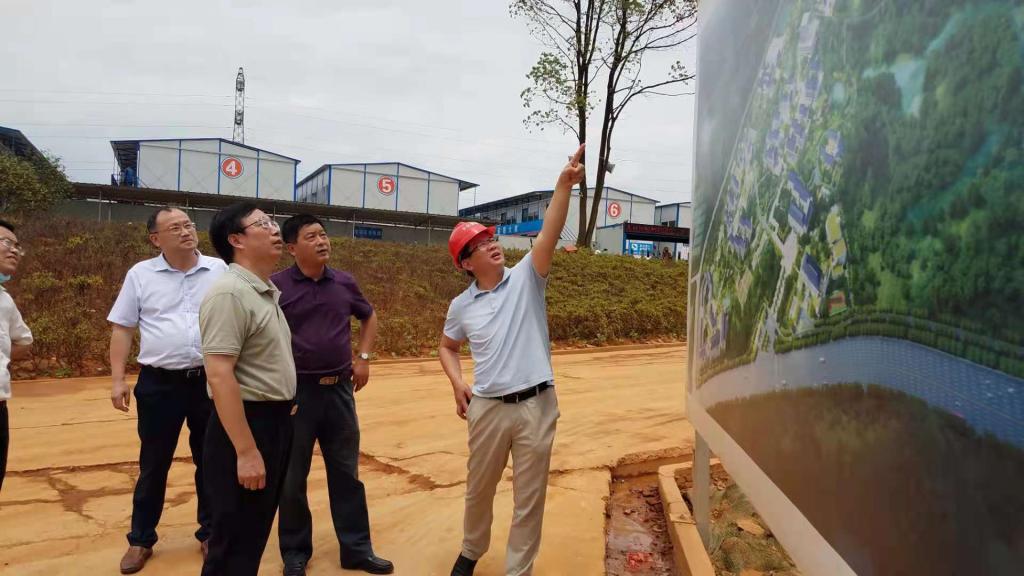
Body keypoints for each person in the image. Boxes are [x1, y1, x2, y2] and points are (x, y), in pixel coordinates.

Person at [439, 144, 586, 576]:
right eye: (479, 245)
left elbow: (549, 233)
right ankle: (471, 550)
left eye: (490, 238)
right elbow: (447, 347)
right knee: (479, 488)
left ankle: (518, 569)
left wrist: (563, 187)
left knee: (529, 496)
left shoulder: (527, 277)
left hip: (537, 405)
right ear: (466, 263)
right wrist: (457, 383)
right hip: (487, 408)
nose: (491, 245)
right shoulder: (461, 307)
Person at [108, 206, 227, 574]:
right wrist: (117, 379)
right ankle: (141, 539)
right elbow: (122, 327)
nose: (186, 231)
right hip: (159, 384)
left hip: (210, 381)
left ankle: (210, 533)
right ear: (155, 239)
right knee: (153, 463)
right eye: (174, 227)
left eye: (188, 224)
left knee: (211, 461)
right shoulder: (140, 275)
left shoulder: (219, 270)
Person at [273, 214, 393, 576]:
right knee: (292, 478)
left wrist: (364, 358)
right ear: (292, 248)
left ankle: (356, 550)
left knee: (346, 475)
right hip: (296, 394)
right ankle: (295, 553)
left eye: (323, 235)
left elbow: (368, 316)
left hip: (339, 391)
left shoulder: (343, 282)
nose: (322, 241)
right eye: (311, 237)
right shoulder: (276, 287)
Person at [199, 203, 297, 575]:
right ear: (236, 240)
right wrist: (245, 451)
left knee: (251, 535)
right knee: (233, 544)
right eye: (263, 223)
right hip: (246, 427)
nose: (275, 229)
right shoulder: (230, 294)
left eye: (273, 221)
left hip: (272, 424)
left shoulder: (262, 291)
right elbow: (219, 374)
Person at [0, 219, 32, 494]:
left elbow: (23, 342)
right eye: (6, 243)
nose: (14, 251)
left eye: (17, 246)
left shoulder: (4, 300)